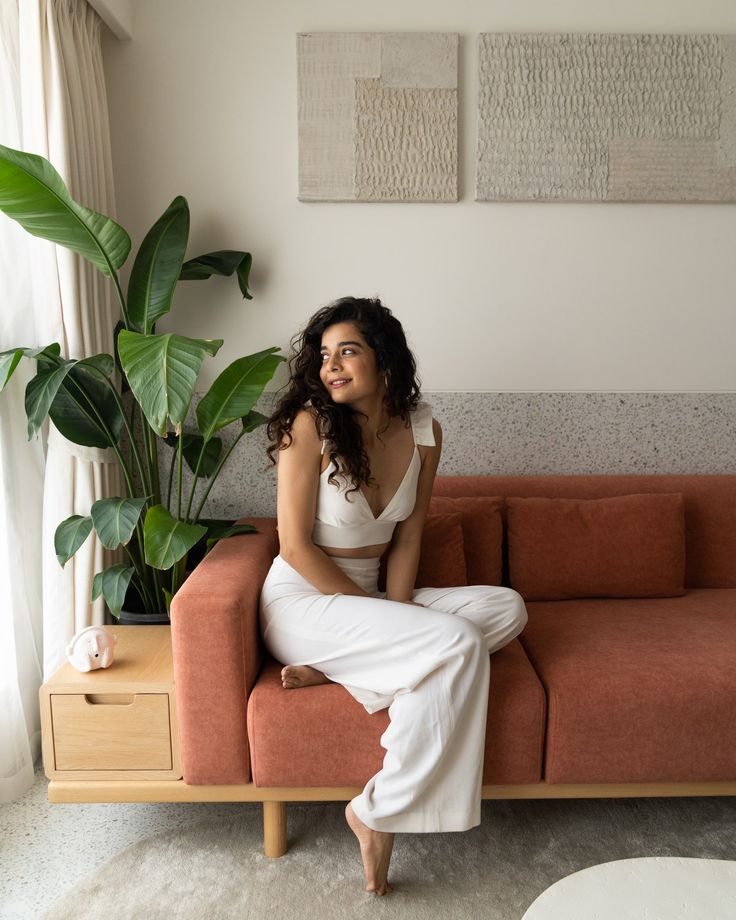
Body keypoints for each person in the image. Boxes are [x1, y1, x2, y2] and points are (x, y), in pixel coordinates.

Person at [260, 296, 528, 896]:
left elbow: (408, 537)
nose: (331, 365)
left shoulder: (424, 429)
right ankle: (378, 811)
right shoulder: (310, 426)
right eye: (324, 354)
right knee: (456, 643)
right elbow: (297, 547)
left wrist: (397, 608)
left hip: (375, 599)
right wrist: (386, 615)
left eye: (347, 351)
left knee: (505, 608)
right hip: (303, 601)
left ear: (384, 360)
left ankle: (339, 671)